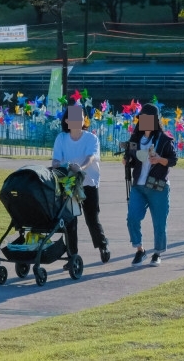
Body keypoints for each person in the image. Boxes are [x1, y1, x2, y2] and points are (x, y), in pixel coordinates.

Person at [51, 104, 110, 263]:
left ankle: (102, 244)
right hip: (68, 184)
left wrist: (81, 168)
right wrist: (58, 166)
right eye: (74, 117)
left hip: (88, 183)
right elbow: (56, 159)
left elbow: (91, 157)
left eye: (80, 117)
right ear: (68, 121)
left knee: (91, 218)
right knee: (70, 220)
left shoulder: (91, 138)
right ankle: (72, 255)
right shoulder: (61, 138)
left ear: (84, 120)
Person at [123, 102, 177, 267]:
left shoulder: (165, 139)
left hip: (157, 186)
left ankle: (157, 253)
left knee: (159, 222)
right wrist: (127, 160)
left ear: (155, 120)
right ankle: (140, 249)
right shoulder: (135, 138)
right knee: (132, 218)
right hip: (138, 186)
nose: (144, 121)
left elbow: (173, 160)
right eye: (142, 118)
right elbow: (130, 159)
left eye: (148, 118)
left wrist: (159, 159)